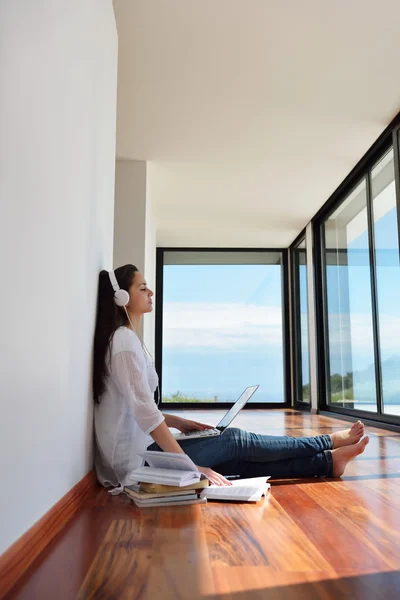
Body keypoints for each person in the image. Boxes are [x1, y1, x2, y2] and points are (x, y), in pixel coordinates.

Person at [93, 264, 369, 490]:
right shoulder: (123, 342)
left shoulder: (127, 341)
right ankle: (327, 443)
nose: (150, 291)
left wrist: (182, 423)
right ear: (122, 298)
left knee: (236, 462)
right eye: (142, 287)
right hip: (135, 464)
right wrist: (191, 468)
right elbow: (145, 413)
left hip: (146, 451)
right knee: (235, 441)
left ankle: (327, 463)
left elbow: (141, 408)